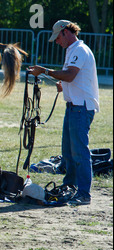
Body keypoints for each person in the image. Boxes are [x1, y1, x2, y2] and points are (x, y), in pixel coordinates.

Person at [29, 20, 100, 205]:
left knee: (79, 152)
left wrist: (44, 71)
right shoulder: (72, 50)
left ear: (66, 32)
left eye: (58, 38)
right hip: (74, 106)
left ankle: (84, 194)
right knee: (69, 153)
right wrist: (65, 87)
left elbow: (70, 75)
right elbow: (71, 77)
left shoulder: (79, 50)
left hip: (80, 107)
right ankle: (71, 187)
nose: (57, 42)